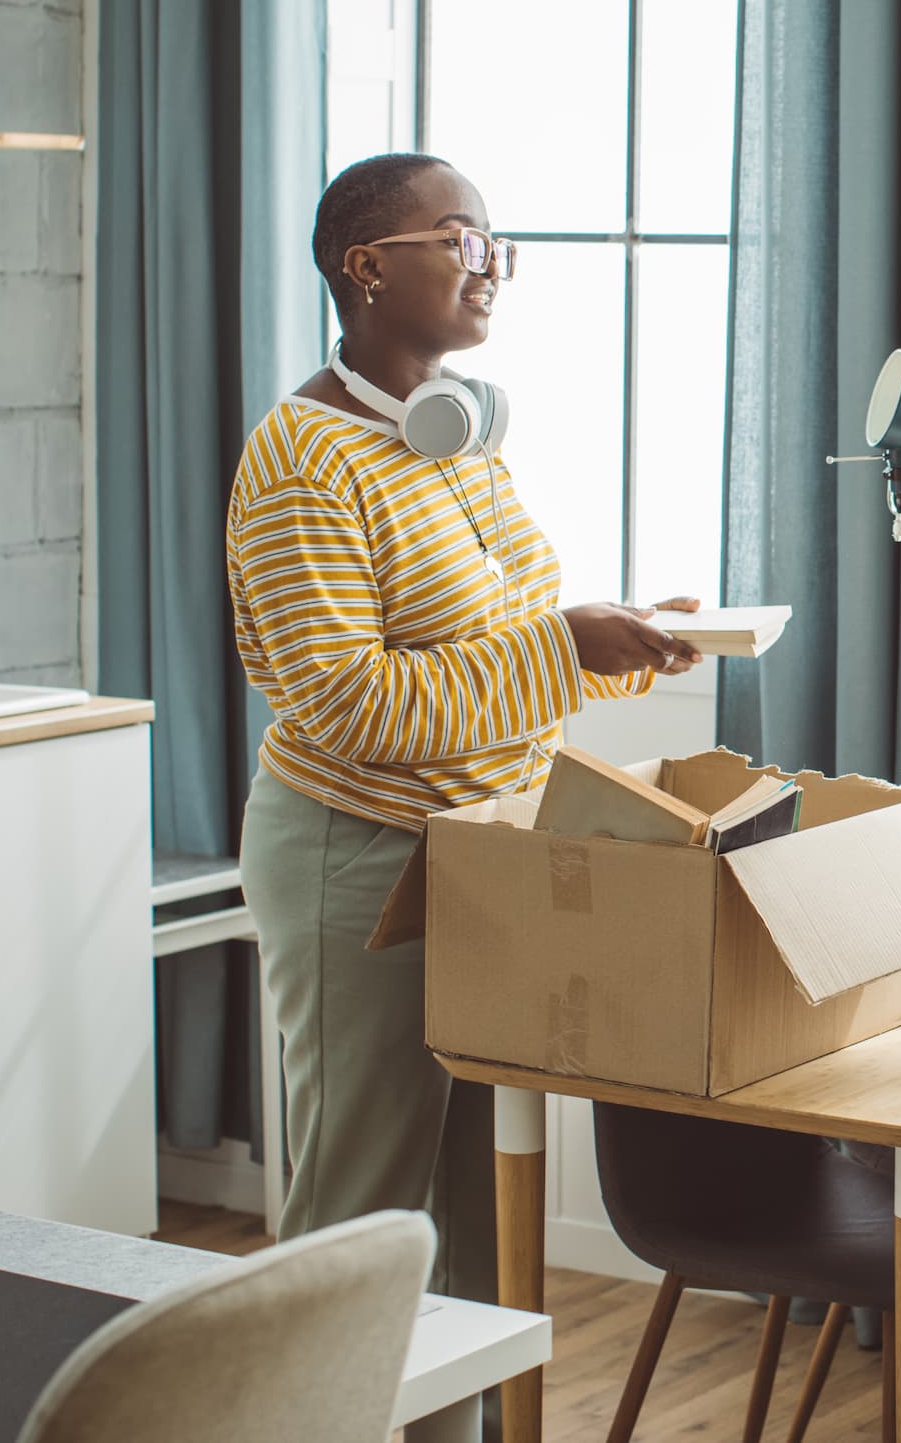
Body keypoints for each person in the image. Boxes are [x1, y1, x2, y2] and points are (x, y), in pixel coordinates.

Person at [227, 152, 705, 1324]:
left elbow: (495, 642)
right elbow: (350, 704)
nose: (491, 267)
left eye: (497, 242)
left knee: (479, 1221)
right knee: (362, 1222)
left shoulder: (454, 443)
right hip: (359, 858)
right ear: (366, 265)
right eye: (461, 237)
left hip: (484, 855)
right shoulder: (303, 461)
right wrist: (565, 649)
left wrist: (618, 639)